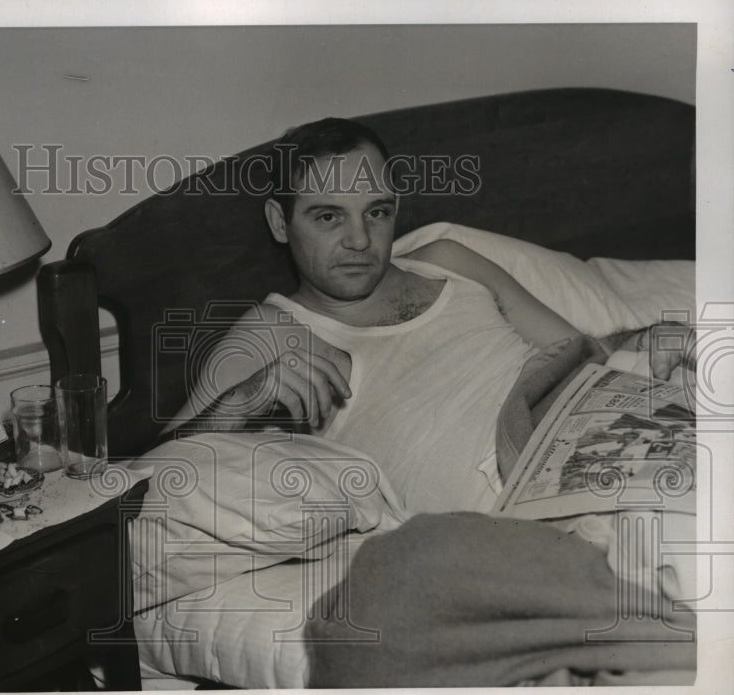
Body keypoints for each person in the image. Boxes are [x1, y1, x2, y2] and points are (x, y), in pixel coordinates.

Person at [163, 118, 693, 513]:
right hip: (522, 502)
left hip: (597, 428)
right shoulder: (270, 333)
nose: (359, 240)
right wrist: (240, 402)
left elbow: (580, 354)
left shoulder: (447, 260)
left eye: (377, 212)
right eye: (328, 216)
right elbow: (151, 480)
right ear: (281, 223)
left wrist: (646, 337)